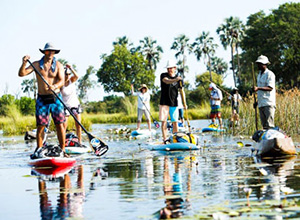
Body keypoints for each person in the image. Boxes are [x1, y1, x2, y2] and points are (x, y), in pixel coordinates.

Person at [18, 42, 67, 157]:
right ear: (44, 52)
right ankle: (39, 150)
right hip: (42, 99)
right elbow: (22, 73)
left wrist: (55, 86)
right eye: (48, 51)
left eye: (52, 51)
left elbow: (62, 81)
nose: (50, 53)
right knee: (41, 126)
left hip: (56, 98)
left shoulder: (59, 65)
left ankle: (63, 151)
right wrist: (23, 63)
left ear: (55, 53)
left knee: (60, 124)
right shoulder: (35, 64)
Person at [159, 60, 184, 144]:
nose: (169, 70)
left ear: (175, 68)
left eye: (171, 68)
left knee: (175, 122)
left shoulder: (179, 79)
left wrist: (185, 104)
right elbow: (166, 81)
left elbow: (181, 91)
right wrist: (176, 79)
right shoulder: (163, 75)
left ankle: (175, 138)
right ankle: (165, 139)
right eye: (168, 68)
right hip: (164, 102)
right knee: (164, 122)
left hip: (174, 102)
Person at [61, 64, 82, 144]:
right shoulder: (61, 84)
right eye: (66, 74)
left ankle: (80, 142)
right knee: (64, 126)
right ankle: (63, 143)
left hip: (75, 105)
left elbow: (77, 76)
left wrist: (71, 68)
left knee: (78, 124)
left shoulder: (71, 80)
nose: (67, 76)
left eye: (69, 74)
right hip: (66, 106)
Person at [254, 55, 276, 130]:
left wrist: (258, 88)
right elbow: (260, 93)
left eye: (260, 64)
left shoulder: (270, 74)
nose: (258, 65)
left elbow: (270, 88)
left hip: (268, 103)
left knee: (270, 125)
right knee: (264, 126)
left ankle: (271, 139)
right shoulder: (259, 75)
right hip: (261, 103)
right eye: (258, 64)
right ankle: (265, 140)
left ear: (265, 64)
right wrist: (257, 102)